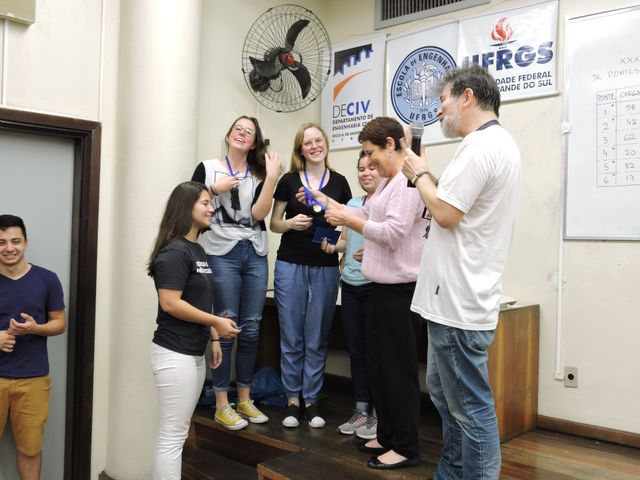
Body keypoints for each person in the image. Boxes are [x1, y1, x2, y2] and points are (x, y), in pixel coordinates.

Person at [402, 64, 521, 480]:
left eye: (443, 100)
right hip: (455, 299)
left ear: (467, 96)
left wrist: (418, 174)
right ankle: (450, 474)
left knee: (470, 410)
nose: (439, 110)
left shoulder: (480, 146)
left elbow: (446, 214)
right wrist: (425, 175)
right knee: (447, 397)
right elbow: (454, 204)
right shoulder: (494, 144)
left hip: (458, 302)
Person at [308, 117, 426, 470]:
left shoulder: (407, 182)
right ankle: (387, 435)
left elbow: (392, 234)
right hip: (381, 289)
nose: (369, 162)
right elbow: (365, 212)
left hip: (400, 292)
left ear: (391, 144)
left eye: (372, 153)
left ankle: (405, 447)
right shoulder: (389, 182)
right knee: (380, 369)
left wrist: (349, 220)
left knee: (398, 372)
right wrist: (335, 206)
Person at [191, 116, 280, 430]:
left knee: (251, 328)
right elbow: (190, 202)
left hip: (254, 252)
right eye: (238, 129)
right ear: (229, 135)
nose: (242, 134)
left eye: (249, 132)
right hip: (220, 252)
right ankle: (221, 403)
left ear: (254, 143)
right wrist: (215, 188)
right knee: (225, 324)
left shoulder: (259, 173)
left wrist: (272, 177)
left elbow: (258, 214)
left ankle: (244, 398)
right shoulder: (207, 167)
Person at [148, 181, 240, 480]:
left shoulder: (196, 249)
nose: (211, 209)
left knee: (177, 432)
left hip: (193, 353)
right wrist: (216, 322)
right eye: (205, 203)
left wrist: (213, 336)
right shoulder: (174, 252)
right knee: (172, 437)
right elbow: (171, 303)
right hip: (174, 353)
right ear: (186, 207)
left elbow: (200, 299)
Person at [270, 123, 352, 428]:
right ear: (300, 150)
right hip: (290, 264)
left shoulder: (340, 182)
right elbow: (274, 224)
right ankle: (293, 400)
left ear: (326, 143)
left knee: (317, 337)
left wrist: (341, 251)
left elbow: (349, 225)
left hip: (325, 267)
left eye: (319, 140)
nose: (315, 146)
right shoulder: (288, 181)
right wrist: (291, 224)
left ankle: (312, 400)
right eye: (308, 143)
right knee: (291, 336)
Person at [0, 214, 66, 480]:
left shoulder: (47, 279)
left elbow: (60, 323)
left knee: (30, 450)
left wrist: (36, 328)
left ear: (26, 243)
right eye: (1, 242)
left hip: (34, 380)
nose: (9, 248)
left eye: (15, 241)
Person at [321, 151, 381, 437]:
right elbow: (346, 239)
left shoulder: (387, 204)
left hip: (376, 286)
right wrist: (334, 247)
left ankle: (379, 413)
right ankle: (361, 409)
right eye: (361, 168)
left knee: (376, 352)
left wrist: (373, 252)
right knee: (356, 351)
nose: (365, 173)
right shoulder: (352, 205)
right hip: (350, 285)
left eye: (371, 168)